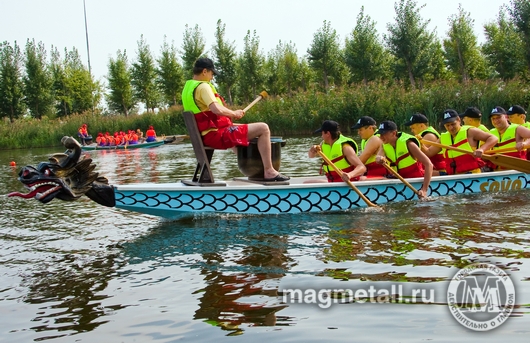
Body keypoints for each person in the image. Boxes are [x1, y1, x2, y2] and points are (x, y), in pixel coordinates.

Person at [182, 57, 288, 181]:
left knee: (242, 128)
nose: (212, 77)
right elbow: (216, 109)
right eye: (212, 73)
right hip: (215, 136)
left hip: (206, 135)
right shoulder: (203, 87)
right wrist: (233, 113)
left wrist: (232, 117)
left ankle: (252, 168)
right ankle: (269, 171)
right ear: (204, 71)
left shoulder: (187, 88)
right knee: (263, 128)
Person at [422, 109, 498, 174]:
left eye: (453, 124)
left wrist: (482, 149)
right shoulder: (443, 138)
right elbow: (429, 152)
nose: (451, 128)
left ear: (458, 120)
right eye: (447, 125)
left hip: (472, 175)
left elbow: (493, 138)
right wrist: (419, 143)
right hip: (454, 176)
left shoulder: (470, 132)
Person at [375, 121, 432, 198]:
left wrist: (424, 190)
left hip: (415, 180)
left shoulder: (409, 144)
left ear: (393, 133)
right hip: (399, 179)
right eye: (380, 134)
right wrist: (379, 159)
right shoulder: (384, 145)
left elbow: (429, 164)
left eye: (384, 134)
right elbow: (378, 157)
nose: (381, 137)